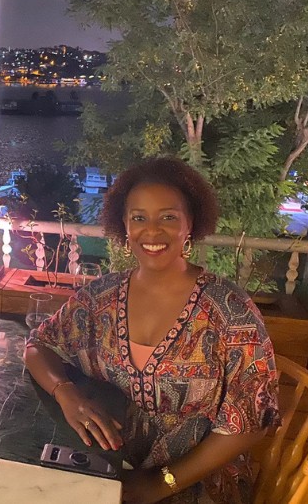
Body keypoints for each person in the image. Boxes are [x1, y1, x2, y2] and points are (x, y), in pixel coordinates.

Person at [24, 157, 279, 504]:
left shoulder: (229, 311)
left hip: (197, 484)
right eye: (139, 217)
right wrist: (65, 392)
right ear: (124, 226)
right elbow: (39, 345)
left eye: (168, 217)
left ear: (190, 224)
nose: (153, 231)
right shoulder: (100, 298)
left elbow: (250, 423)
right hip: (110, 471)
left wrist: (161, 484)